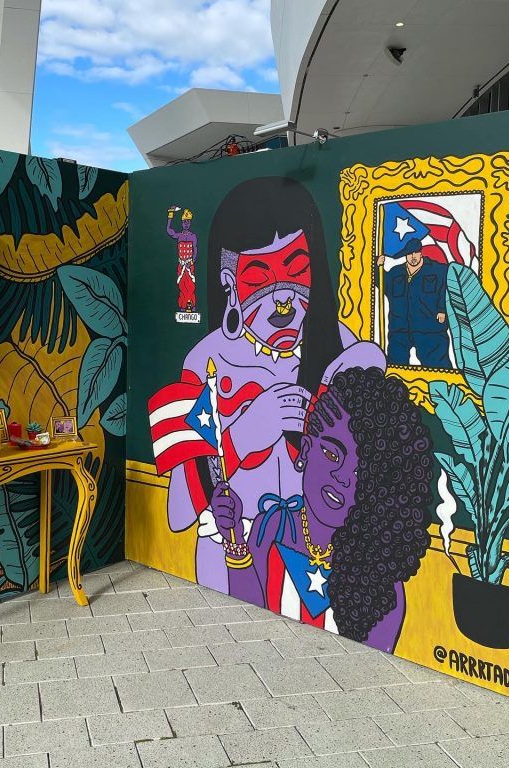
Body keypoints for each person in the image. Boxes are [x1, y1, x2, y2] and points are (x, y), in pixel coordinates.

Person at [152, 177, 386, 594]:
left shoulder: (343, 348)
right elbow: (179, 512)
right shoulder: (204, 362)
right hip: (230, 558)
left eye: (296, 271)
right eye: (260, 279)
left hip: (319, 562)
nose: (284, 302)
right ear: (229, 283)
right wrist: (244, 434)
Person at [209, 366, 434, 652]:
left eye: (363, 472)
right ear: (305, 450)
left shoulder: (380, 578)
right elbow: (248, 608)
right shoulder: (273, 526)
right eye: (331, 454)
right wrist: (234, 538)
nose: (343, 477)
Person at [378, 238, 450, 368]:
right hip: (400, 329)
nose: (413, 256)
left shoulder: (438, 270)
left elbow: (447, 287)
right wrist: (376, 266)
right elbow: (382, 283)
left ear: (421, 252)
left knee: (438, 367)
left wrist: (442, 309)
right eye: (409, 253)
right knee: (395, 368)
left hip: (430, 329)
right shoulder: (396, 273)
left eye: (416, 252)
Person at [166, 206, 198, 312]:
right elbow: (169, 230)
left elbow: (195, 250)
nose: (186, 224)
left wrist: (192, 261)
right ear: (182, 223)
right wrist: (170, 215)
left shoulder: (193, 236)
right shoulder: (179, 236)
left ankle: (192, 305)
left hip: (189, 265)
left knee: (191, 286)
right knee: (182, 285)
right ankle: (183, 305)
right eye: (184, 222)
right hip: (181, 264)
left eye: (188, 222)